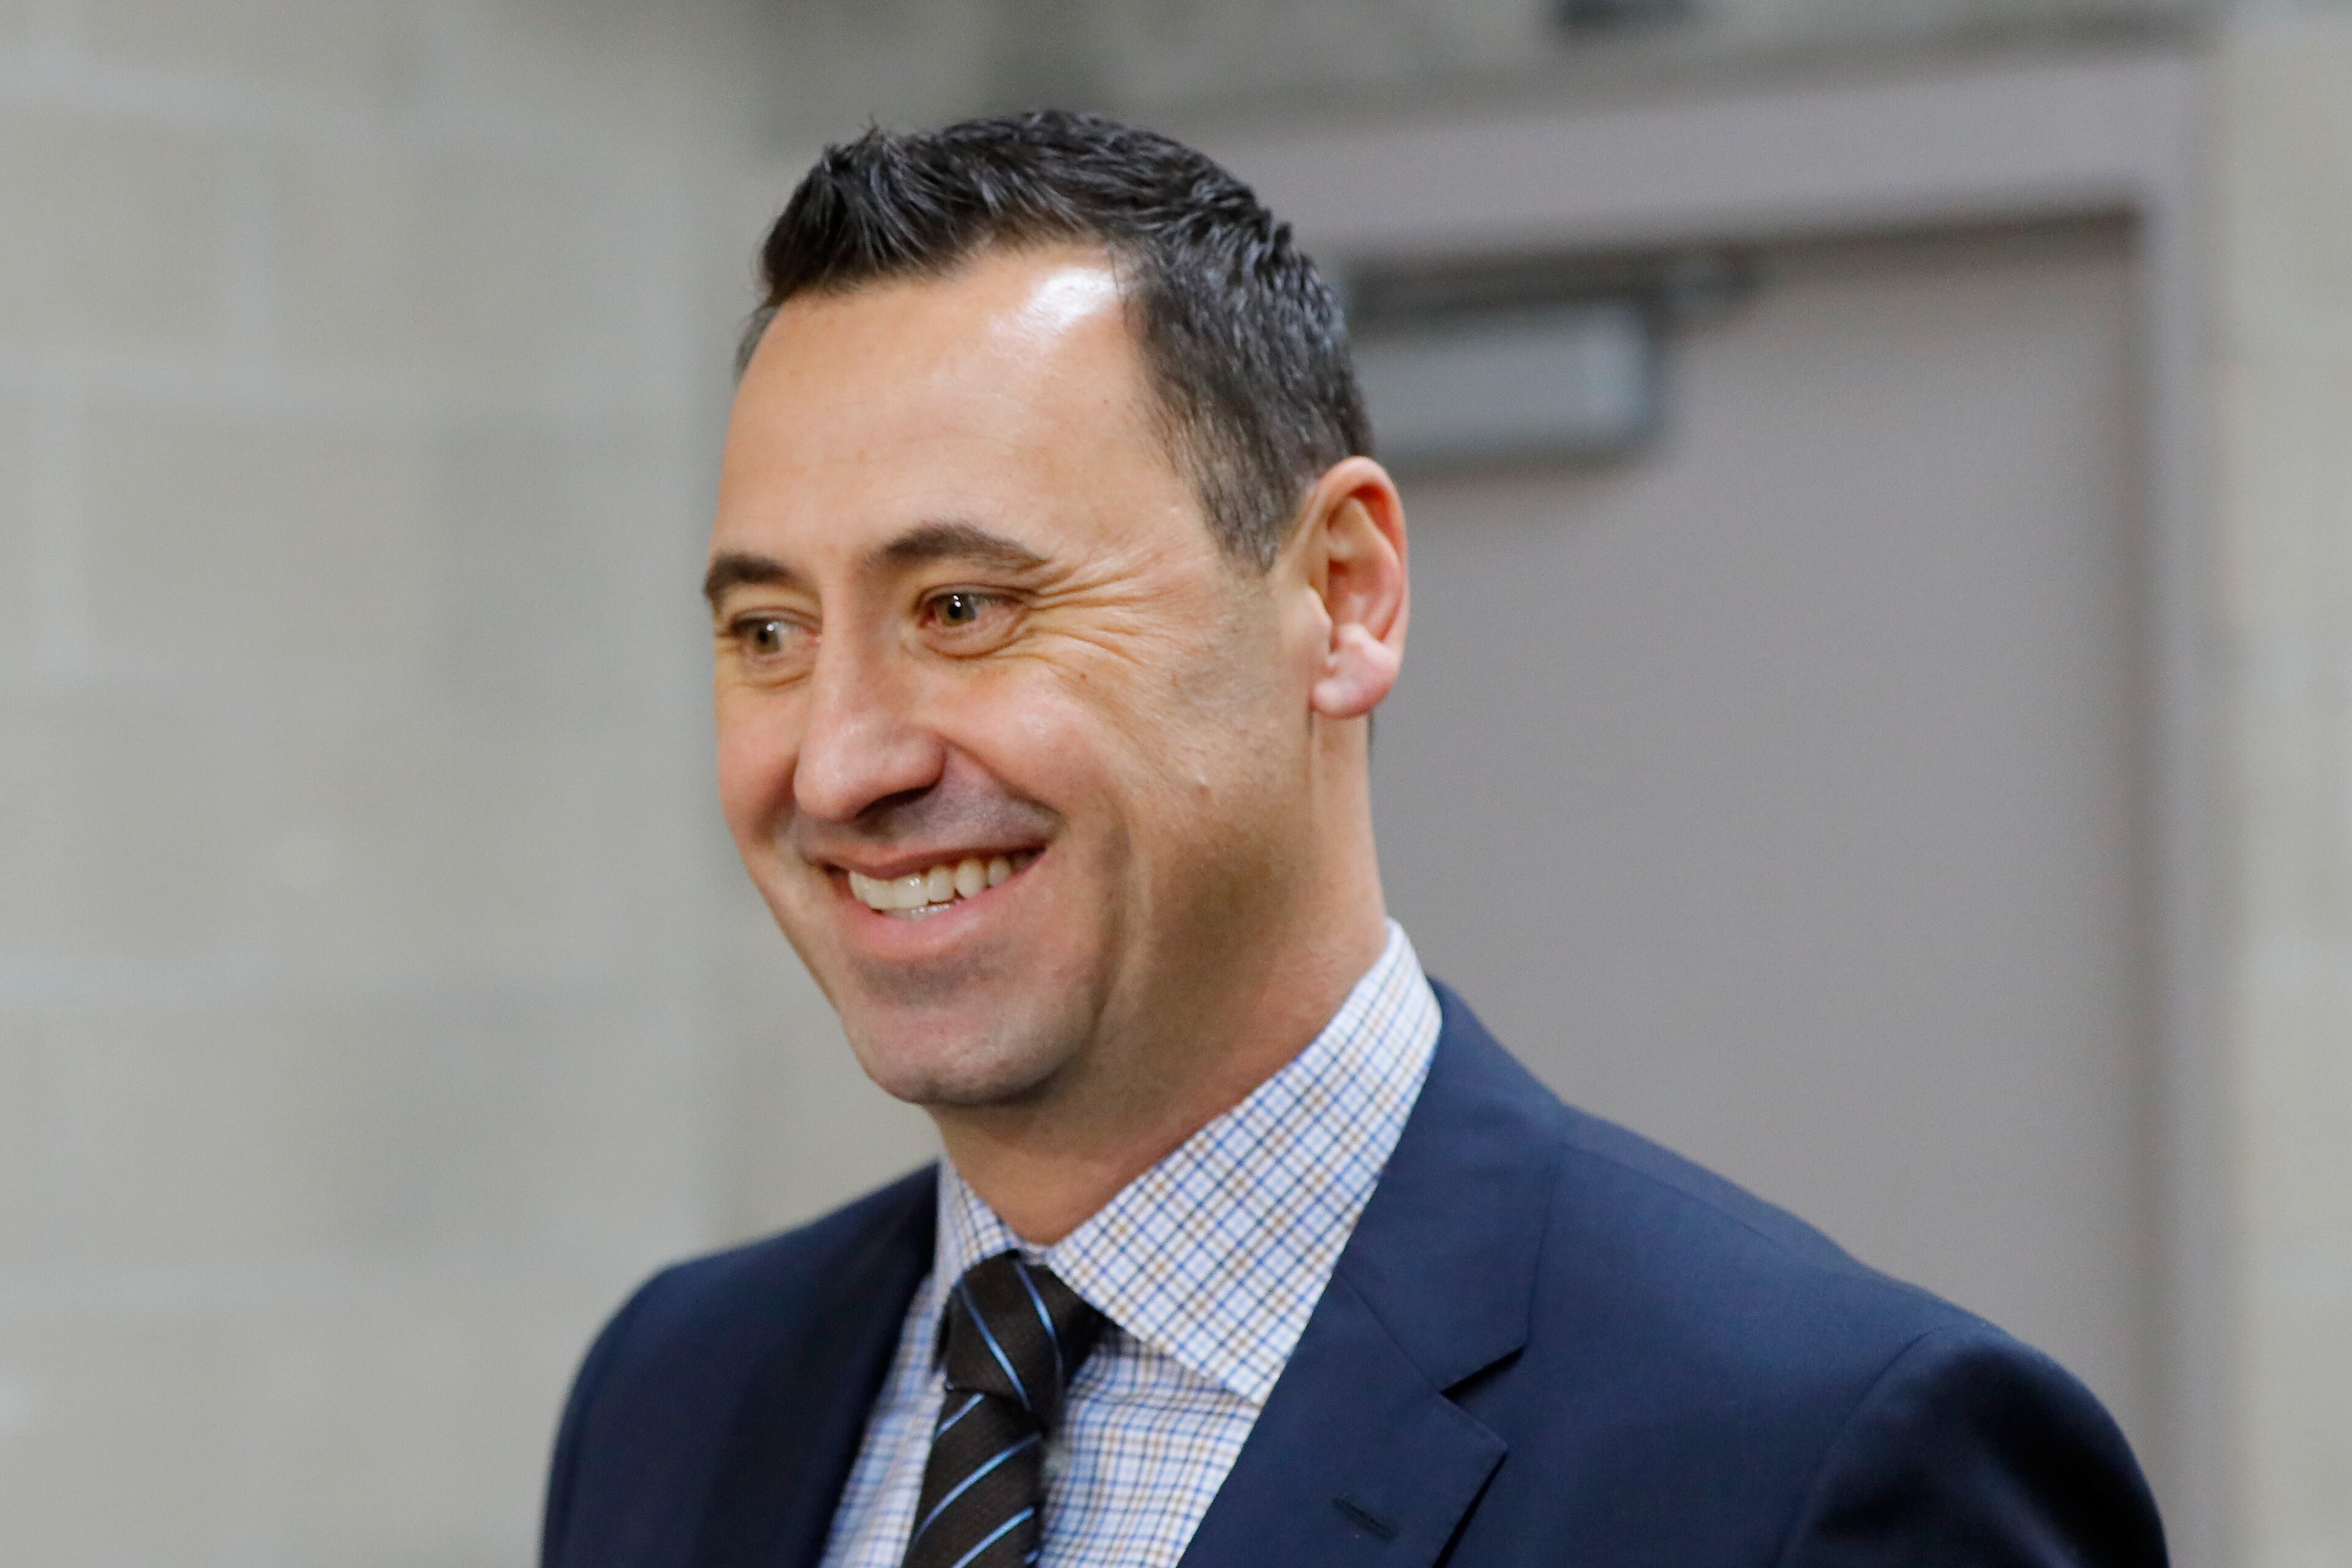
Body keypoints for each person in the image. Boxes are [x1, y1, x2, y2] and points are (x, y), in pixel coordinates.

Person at [539, 110, 2166, 1568]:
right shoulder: (680, 1393)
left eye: (964, 608)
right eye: (766, 632)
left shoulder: (1818, 1468)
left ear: (1342, 595)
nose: (839, 760)